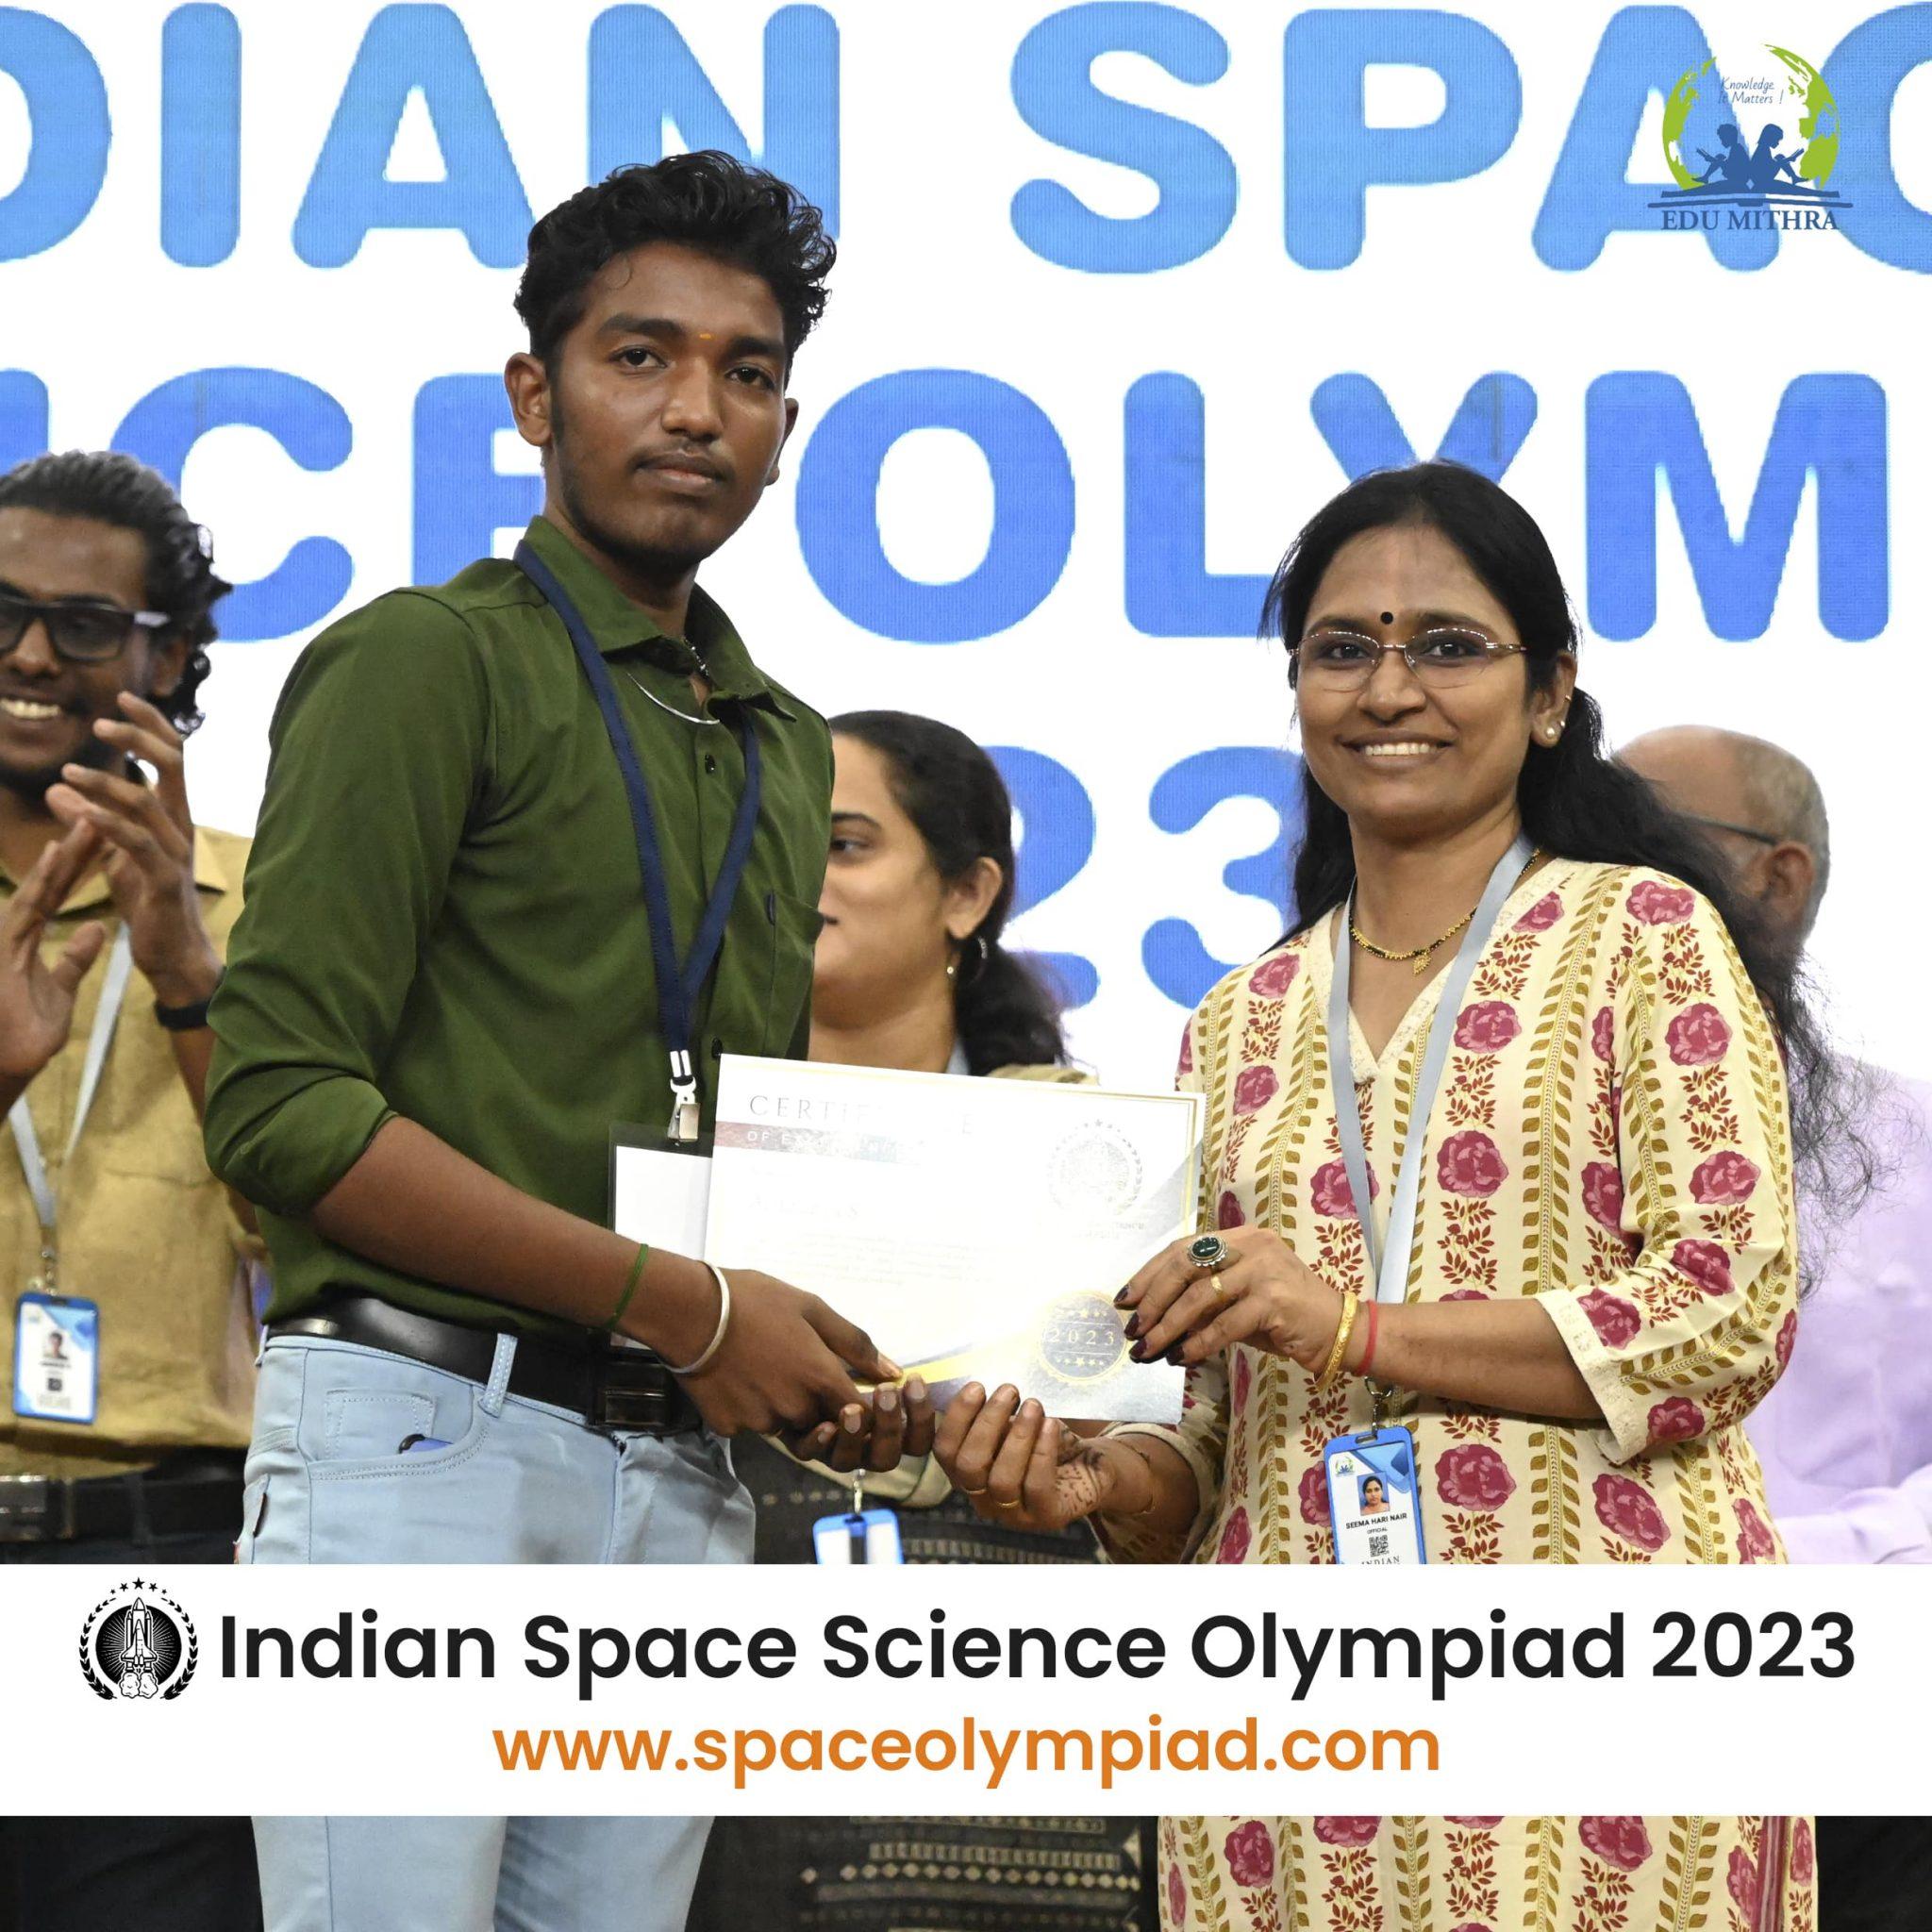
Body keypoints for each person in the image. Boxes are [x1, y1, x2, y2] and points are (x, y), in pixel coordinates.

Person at [933, 462, 1819, 1928]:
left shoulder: (1644, 934)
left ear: (1551, 693)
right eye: (1343, 648)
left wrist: (1354, 1328)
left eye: (1447, 645)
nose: (1389, 687)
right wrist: (1103, 1486)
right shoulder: (1235, 1023)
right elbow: (1209, 1436)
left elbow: (1725, 1313)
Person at [201, 154, 925, 1932]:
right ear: (535, 394)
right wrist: (690, 1306)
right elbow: (282, 1107)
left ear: (786, 428)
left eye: (746, 373)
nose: (695, 410)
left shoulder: (779, 740)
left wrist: (850, 1348)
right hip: (418, 1435)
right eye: (639, 357)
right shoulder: (422, 660)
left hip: (673, 1466)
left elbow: (735, 1140)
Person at [687, 711, 1156, 1932]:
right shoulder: (667, 1143)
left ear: (966, 894)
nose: (797, 879)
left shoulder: (1092, 1161)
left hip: (1020, 1742)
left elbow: (1159, 1462)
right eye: (768, 845)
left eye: (842, 845)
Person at [0, 450, 260, 1932]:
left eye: (86, 626)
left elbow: (317, 1234)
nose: (34, 655)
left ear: (169, 658)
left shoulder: (267, 895)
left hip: (168, 1571)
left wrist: (186, 975)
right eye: (1, 615)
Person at [1619, 725, 1931, 1929]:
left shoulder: (1910, 1147)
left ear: (1776, 878)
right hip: (1576, 1696)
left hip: (1866, 1712)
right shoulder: (1506, 1143)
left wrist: (1789, 1573)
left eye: (1644, 841)